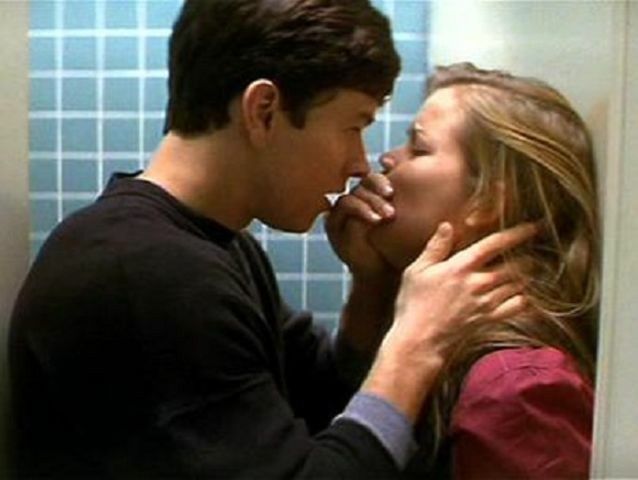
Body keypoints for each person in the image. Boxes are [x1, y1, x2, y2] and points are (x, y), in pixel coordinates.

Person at [8, 2, 533, 478]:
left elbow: (325, 407)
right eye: (353, 126)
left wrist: (372, 286)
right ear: (263, 111)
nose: (359, 163)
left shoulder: (211, 248)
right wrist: (418, 343)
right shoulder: (142, 272)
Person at [331, 62, 599, 479]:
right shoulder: (439, 338)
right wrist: (373, 284)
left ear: (489, 201)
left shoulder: (518, 388)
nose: (384, 160)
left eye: (417, 148)